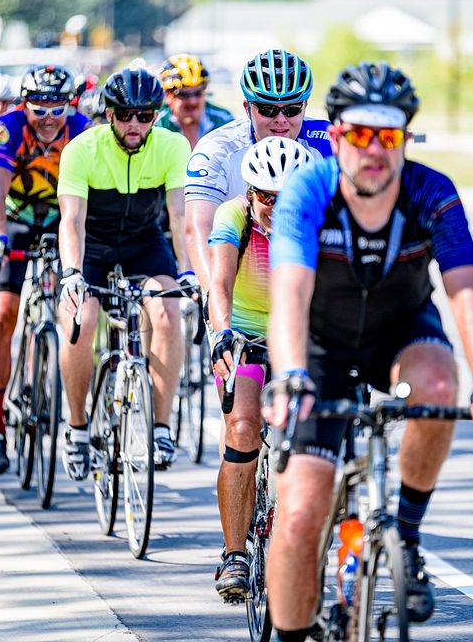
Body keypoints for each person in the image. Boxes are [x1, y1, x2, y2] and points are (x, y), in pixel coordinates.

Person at [262, 61, 473, 642]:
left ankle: (405, 532)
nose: (374, 150)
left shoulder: (434, 194)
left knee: (440, 384)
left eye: (389, 135)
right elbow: (290, 294)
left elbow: (465, 290)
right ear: (334, 136)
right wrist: (292, 375)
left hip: (400, 332)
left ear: (405, 138)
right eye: (359, 133)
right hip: (320, 348)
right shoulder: (308, 191)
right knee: (301, 512)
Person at [57, 67, 192, 480]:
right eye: (125, 115)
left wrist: (188, 273)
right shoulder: (81, 149)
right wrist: (73, 274)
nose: (135, 125)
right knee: (82, 319)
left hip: (144, 243)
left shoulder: (172, 146)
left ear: (156, 116)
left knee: (168, 313)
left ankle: (162, 426)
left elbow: (180, 214)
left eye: (145, 116)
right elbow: (72, 220)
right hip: (93, 244)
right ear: (109, 114)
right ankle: (78, 427)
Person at [208, 137, 314, 601]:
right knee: (244, 427)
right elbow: (219, 284)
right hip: (246, 335)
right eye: (267, 197)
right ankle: (235, 555)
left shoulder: (320, 217)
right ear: (251, 194)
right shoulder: (233, 215)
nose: (276, 207)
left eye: (286, 197)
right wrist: (222, 332)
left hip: (300, 335)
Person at [0, 64, 89, 473]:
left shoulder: (83, 129)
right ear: (24, 104)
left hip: (63, 222)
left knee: (81, 313)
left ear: (70, 105)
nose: (46, 117)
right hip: (14, 221)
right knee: (1, 314)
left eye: (56, 107)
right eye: (38, 106)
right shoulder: (7, 128)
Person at [184, 49, 333, 298]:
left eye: (292, 108)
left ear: (305, 106)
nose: (280, 120)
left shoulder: (328, 144)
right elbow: (199, 227)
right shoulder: (217, 149)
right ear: (247, 107)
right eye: (267, 109)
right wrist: (214, 299)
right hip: (239, 277)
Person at [156, 54, 233, 149]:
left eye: (198, 93)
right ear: (168, 95)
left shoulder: (224, 120)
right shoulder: (157, 124)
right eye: (184, 95)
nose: (192, 101)